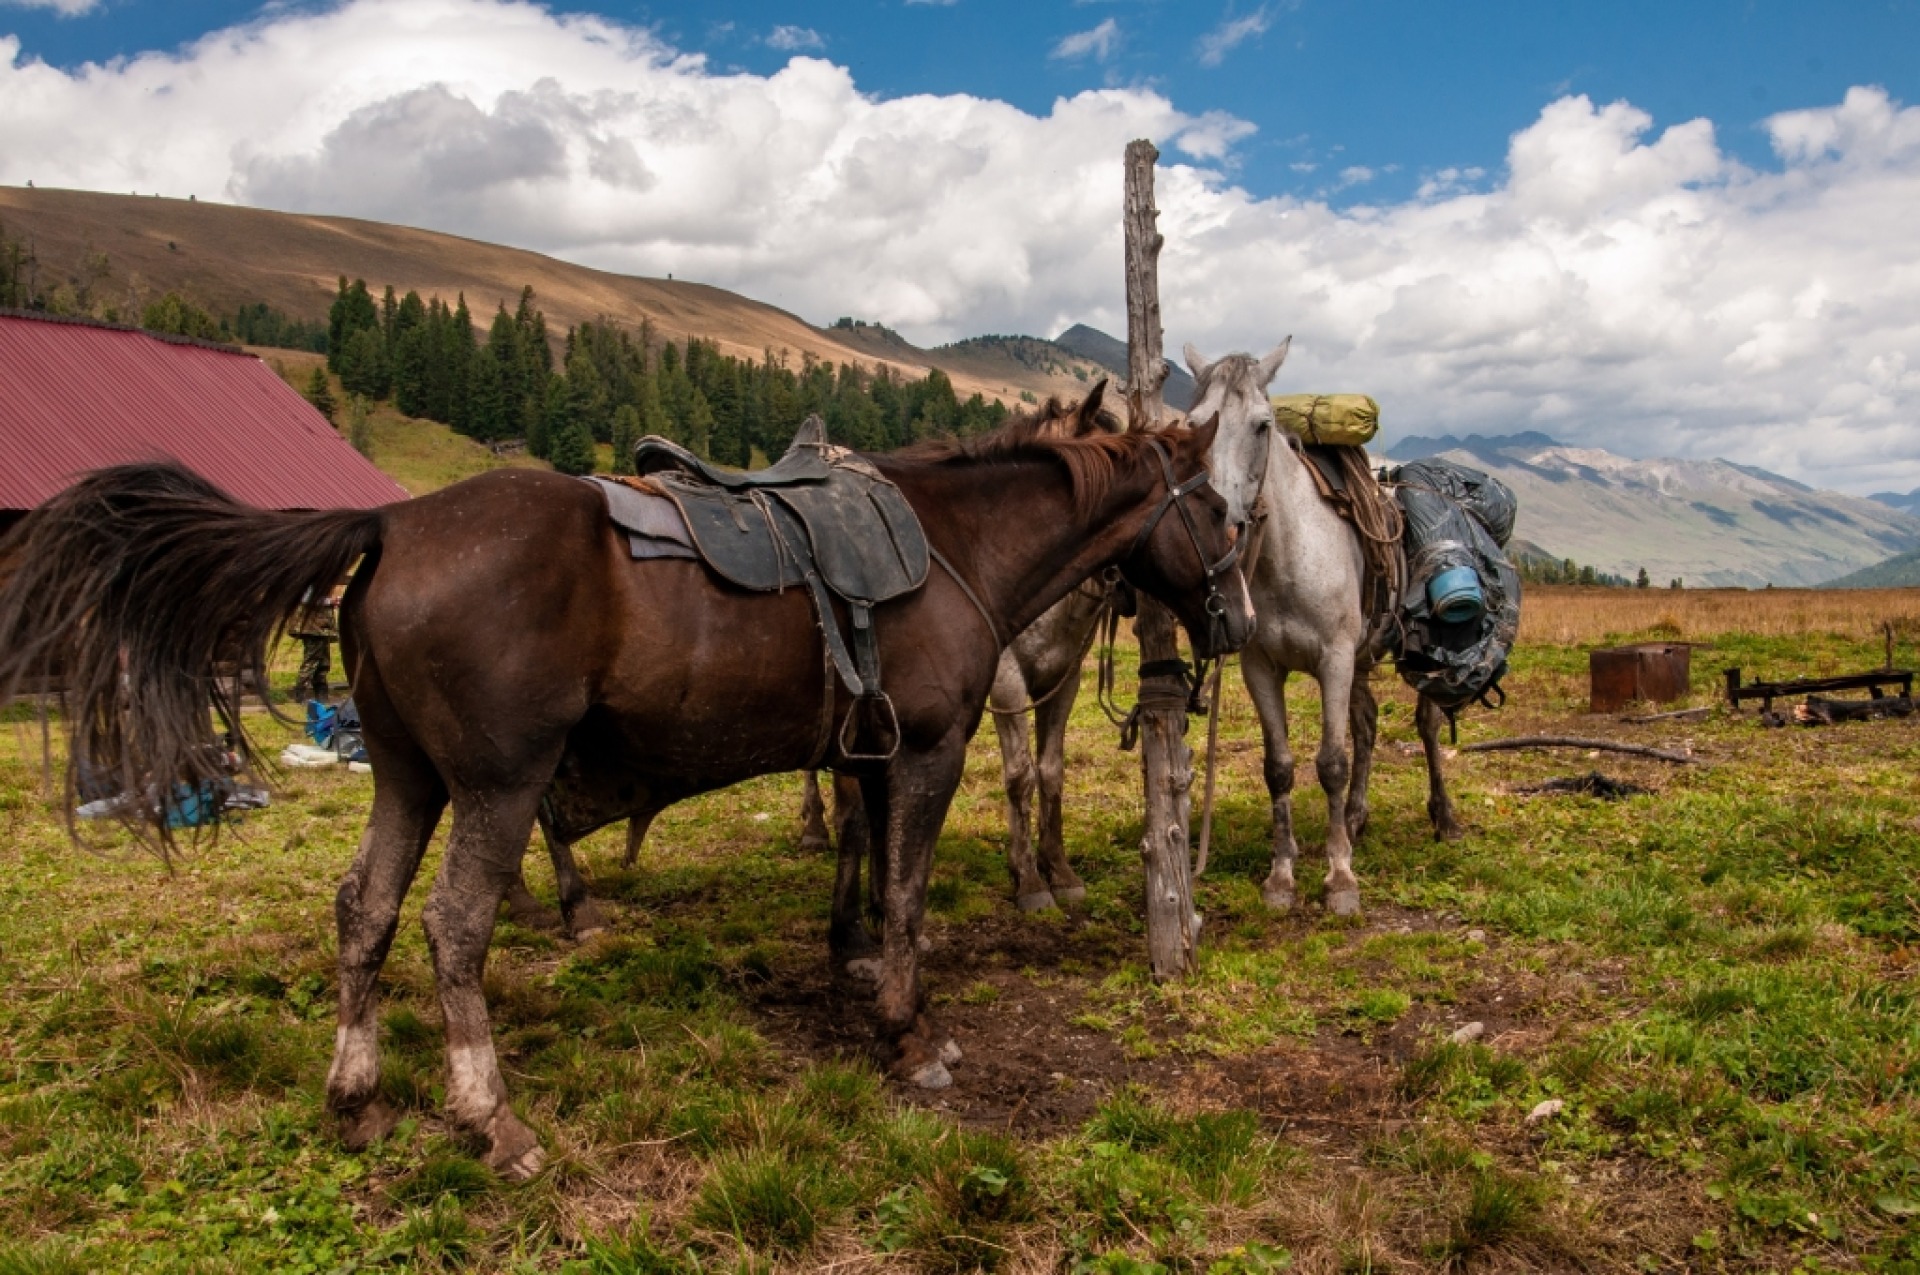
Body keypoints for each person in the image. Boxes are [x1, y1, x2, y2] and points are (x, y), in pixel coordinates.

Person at [291, 585, 341, 701]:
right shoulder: (311, 577)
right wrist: (329, 601)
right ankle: (300, 694)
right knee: (311, 661)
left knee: (323, 663)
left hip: (321, 628)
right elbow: (306, 598)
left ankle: (321, 695)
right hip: (313, 627)